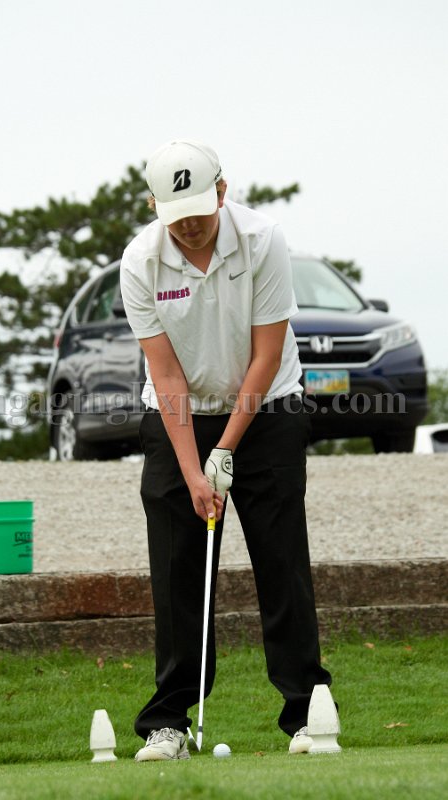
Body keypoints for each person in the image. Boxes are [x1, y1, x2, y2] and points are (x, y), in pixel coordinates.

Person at [120, 139, 333, 762]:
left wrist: (228, 448)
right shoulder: (140, 261)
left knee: (281, 561)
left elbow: (266, 355)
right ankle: (167, 722)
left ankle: (307, 715)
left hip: (268, 410)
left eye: (198, 209)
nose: (188, 225)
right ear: (154, 205)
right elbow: (166, 377)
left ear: (220, 191)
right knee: (178, 570)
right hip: (178, 417)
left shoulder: (263, 241)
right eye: (174, 214)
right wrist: (194, 471)